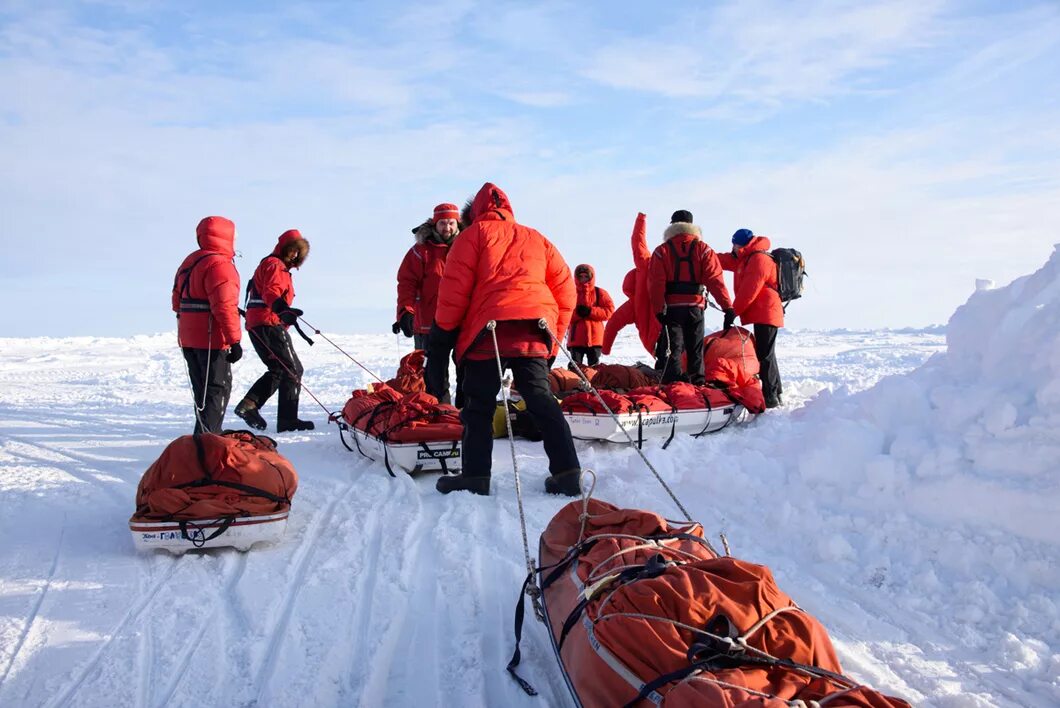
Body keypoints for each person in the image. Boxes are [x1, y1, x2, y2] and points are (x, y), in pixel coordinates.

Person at [429, 182, 582, 497]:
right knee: (541, 399)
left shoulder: (472, 236)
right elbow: (566, 293)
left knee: (478, 404)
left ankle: (475, 476)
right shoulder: (538, 238)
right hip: (535, 330)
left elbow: (454, 292)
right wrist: (553, 341)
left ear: (474, 214)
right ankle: (567, 472)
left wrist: (443, 333)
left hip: (489, 332)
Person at [233, 229, 314, 432]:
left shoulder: (274, 266)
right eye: (293, 250)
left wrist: (283, 312)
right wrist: (281, 309)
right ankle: (286, 420)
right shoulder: (274, 265)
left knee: (280, 369)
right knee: (292, 370)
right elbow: (271, 292)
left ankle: (250, 405)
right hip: (267, 323)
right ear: (284, 248)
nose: (295, 255)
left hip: (260, 323)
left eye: (299, 252)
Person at [172, 216, 242, 434]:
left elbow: (176, 301)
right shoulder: (221, 265)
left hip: (188, 338)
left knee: (202, 391)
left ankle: (202, 437)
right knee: (216, 390)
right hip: (211, 339)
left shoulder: (190, 261)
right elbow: (224, 306)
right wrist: (235, 340)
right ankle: (208, 444)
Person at [648, 210, 733, 385]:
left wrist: (658, 309)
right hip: (695, 307)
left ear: (672, 225)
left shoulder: (661, 251)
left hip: (672, 309)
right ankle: (697, 383)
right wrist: (728, 308)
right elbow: (716, 281)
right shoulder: (704, 250)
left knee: (674, 348)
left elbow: (656, 284)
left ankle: (672, 385)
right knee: (695, 348)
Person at [718, 228, 784, 408]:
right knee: (767, 352)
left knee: (765, 354)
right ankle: (776, 392)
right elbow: (723, 260)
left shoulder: (759, 259)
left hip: (767, 311)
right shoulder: (746, 258)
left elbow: (750, 290)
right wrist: (704, 255)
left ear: (742, 243)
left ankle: (770, 396)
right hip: (763, 311)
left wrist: (733, 311)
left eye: (735, 244)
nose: (733, 247)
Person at [566, 264, 614, 366]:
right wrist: (577, 314)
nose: (583, 279)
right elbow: (564, 313)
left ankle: (594, 382)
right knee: (575, 368)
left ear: (591, 277)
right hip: (576, 339)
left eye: (586, 276)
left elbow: (609, 311)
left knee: (594, 369)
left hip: (596, 339)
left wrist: (590, 311)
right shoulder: (570, 293)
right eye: (581, 276)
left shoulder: (600, 292)